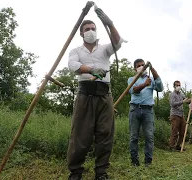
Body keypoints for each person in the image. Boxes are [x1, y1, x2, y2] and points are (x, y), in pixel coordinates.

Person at [67, 7, 126, 180]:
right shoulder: (76, 51)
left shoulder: (105, 49)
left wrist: (110, 23)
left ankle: (101, 172)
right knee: (80, 135)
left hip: (104, 96)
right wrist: (92, 70)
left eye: (93, 28)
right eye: (87, 29)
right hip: (85, 95)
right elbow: (73, 66)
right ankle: (75, 171)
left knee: (105, 134)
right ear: (81, 33)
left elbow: (118, 43)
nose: (91, 31)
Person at [128, 59, 164, 166]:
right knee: (134, 136)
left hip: (148, 110)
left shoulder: (151, 79)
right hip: (134, 109)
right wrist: (144, 84)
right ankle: (134, 161)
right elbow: (133, 90)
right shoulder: (132, 79)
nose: (142, 67)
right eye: (139, 66)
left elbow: (160, 88)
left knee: (149, 136)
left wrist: (152, 69)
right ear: (135, 69)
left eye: (143, 65)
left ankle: (148, 161)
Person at [169, 80, 191, 151]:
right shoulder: (172, 94)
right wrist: (182, 102)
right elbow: (172, 104)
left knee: (183, 131)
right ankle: (172, 146)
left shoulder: (181, 94)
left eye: (179, 85)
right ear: (174, 86)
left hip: (181, 115)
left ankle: (178, 146)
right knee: (174, 131)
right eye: (177, 85)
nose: (178, 86)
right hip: (175, 115)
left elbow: (187, 101)